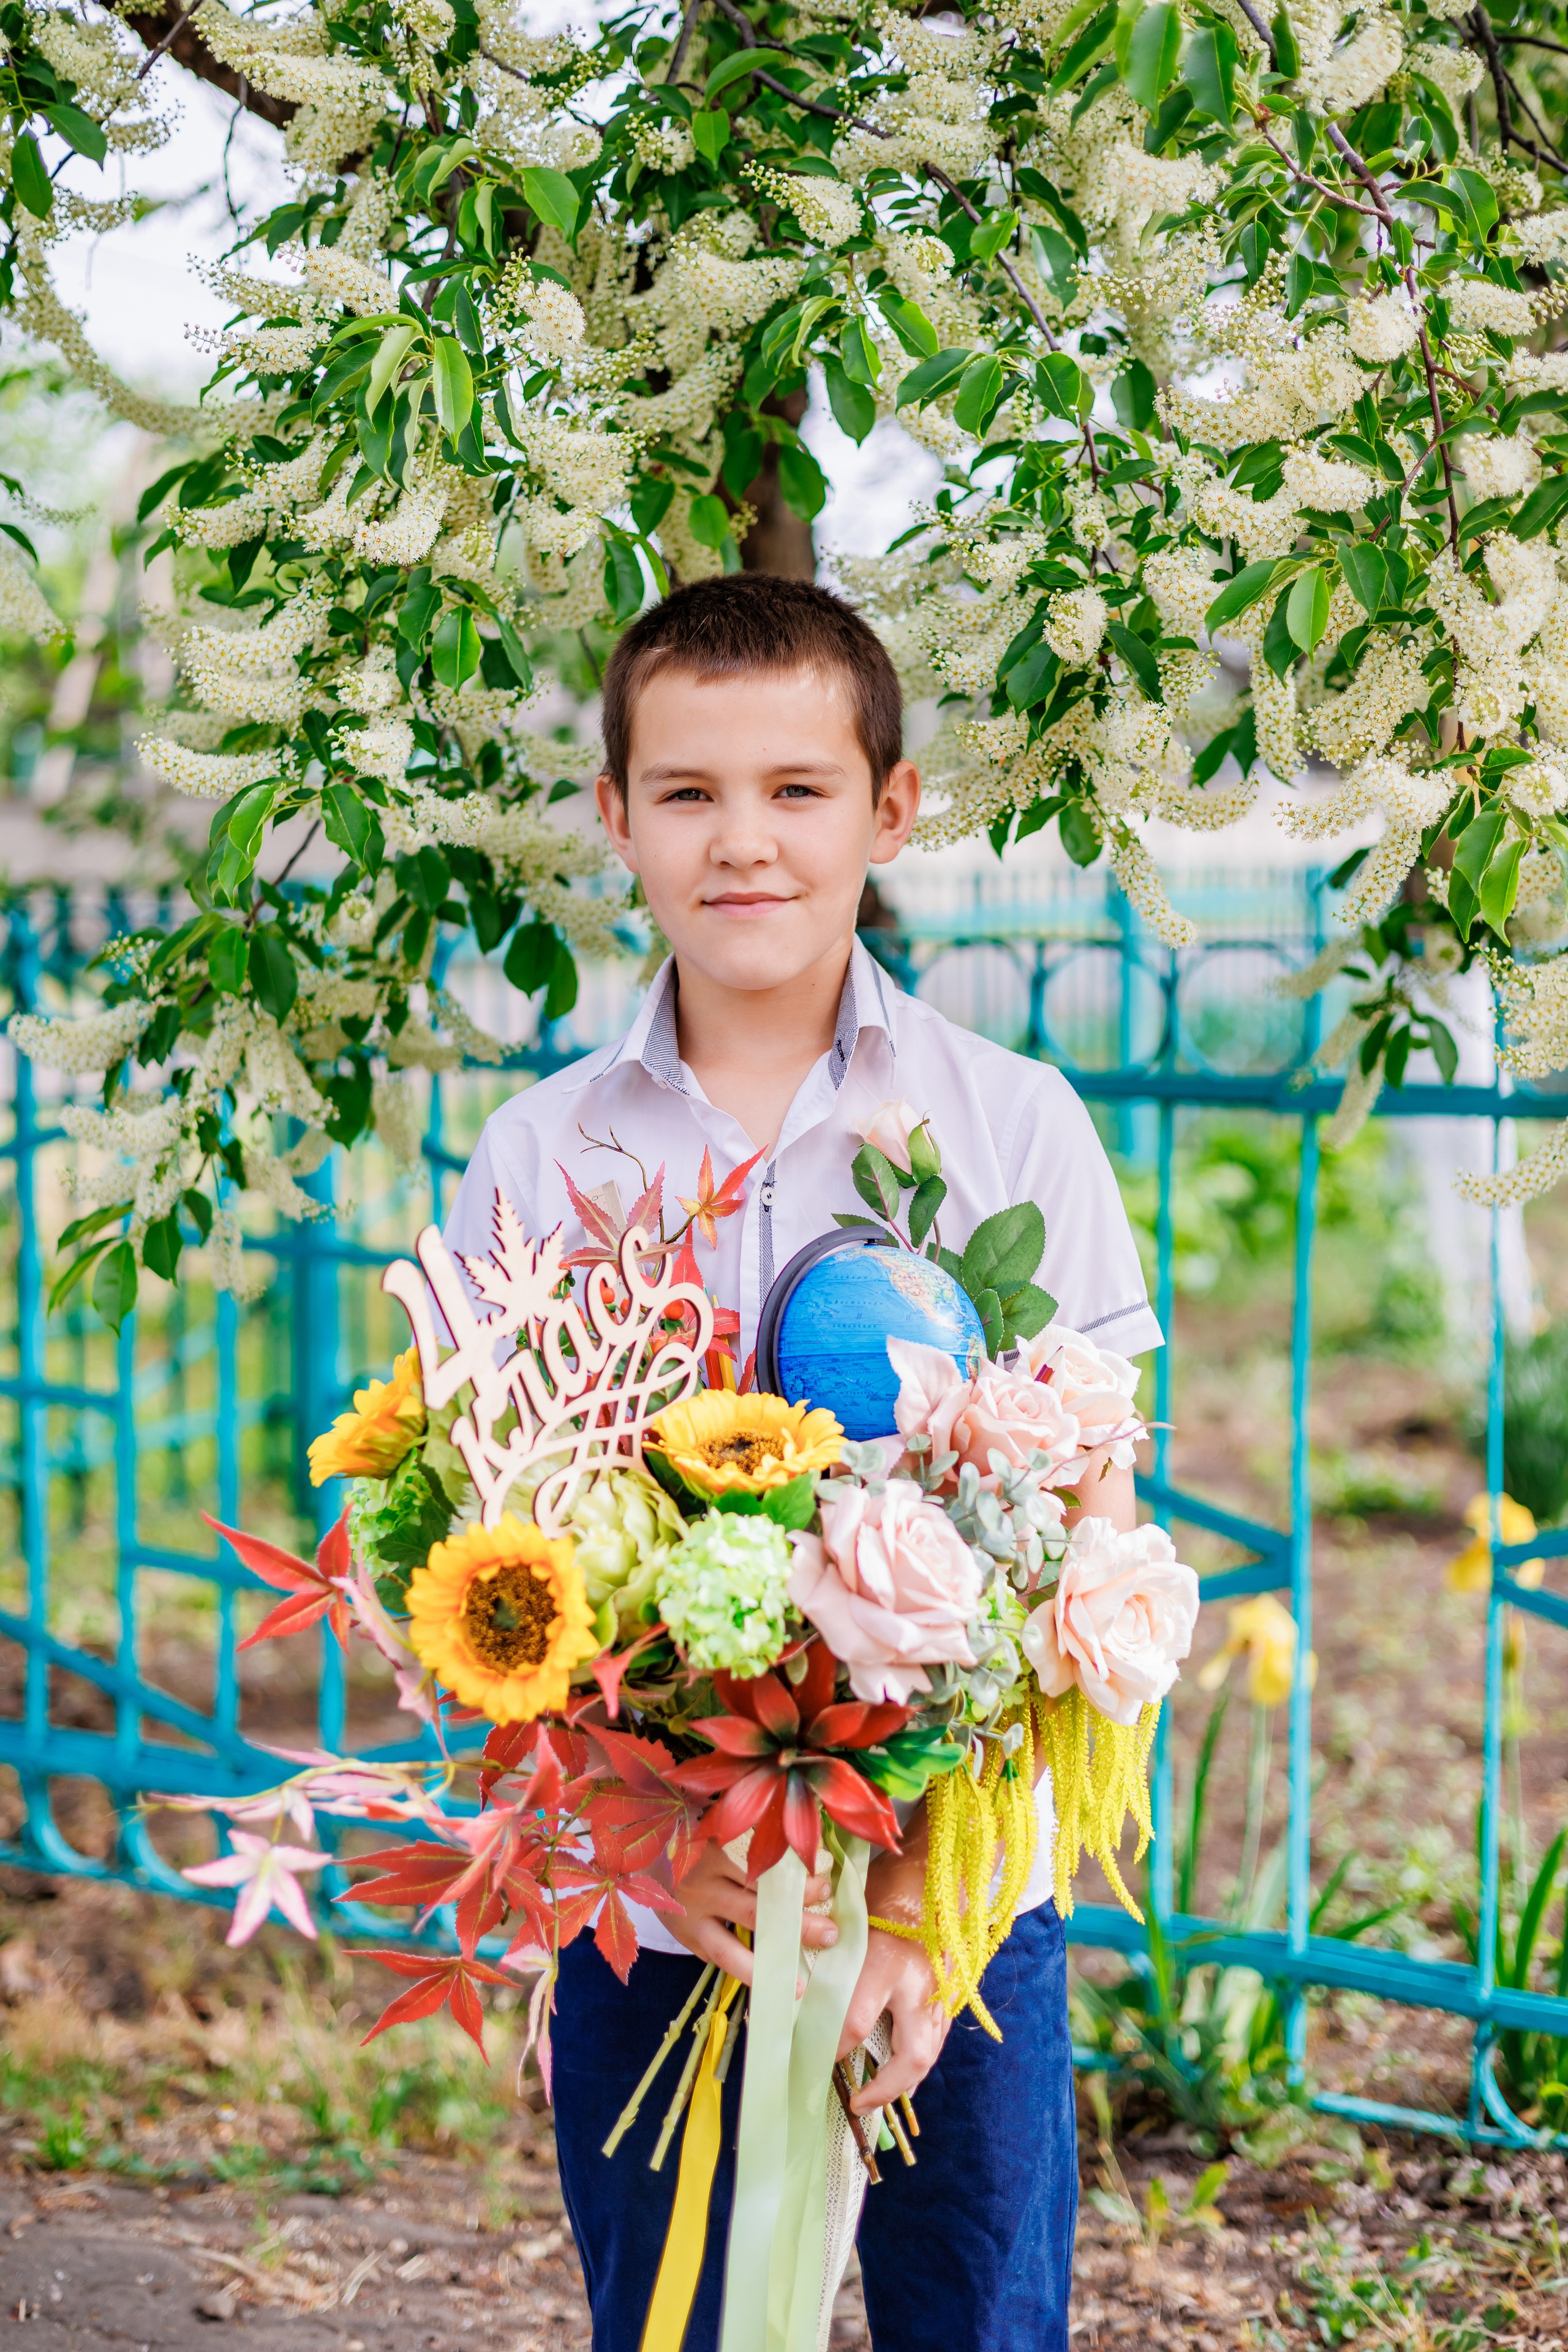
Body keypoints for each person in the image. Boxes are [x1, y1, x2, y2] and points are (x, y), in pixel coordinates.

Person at [441, 573, 1163, 2351]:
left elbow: (1091, 1550)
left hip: (962, 1900)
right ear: (612, 817)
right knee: (676, 2319)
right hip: (667, 1910)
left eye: (796, 790)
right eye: (685, 792)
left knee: (978, 2319)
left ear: (890, 810)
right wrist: (625, 1828)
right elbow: (479, 1564)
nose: (741, 842)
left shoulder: (1010, 1128)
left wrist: (927, 1907)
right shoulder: (541, 1160)